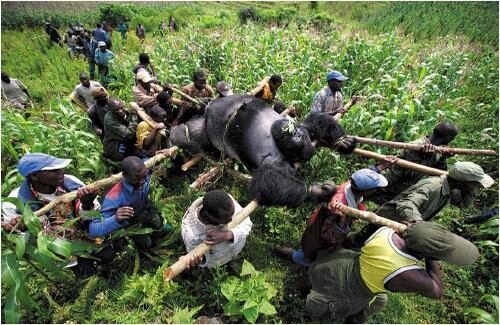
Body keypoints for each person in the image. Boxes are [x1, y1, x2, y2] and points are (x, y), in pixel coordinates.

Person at [306, 218, 479, 323]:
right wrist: (432, 257)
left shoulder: (385, 232)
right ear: (424, 253)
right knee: (330, 316)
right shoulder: (407, 273)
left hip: (340, 264)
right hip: (346, 290)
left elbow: (354, 241)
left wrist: (418, 233)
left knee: (381, 300)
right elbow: (437, 291)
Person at [0, 153, 111, 276]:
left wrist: (86, 204)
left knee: (108, 255)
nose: (61, 171)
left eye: (60, 167)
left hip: (84, 236)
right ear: (35, 176)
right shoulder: (14, 204)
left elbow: (96, 216)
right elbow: (22, 244)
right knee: (83, 273)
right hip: (56, 252)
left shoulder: (72, 183)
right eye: (54, 170)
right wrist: (23, 229)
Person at [276, 168, 389, 266]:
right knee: (312, 256)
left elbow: (363, 176)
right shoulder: (339, 207)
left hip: (318, 224)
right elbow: (330, 236)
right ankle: (290, 254)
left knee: (312, 248)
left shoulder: (350, 185)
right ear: (367, 191)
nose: (377, 190)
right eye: (375, 188)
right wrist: (343, 220)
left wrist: (380, 167)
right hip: (319, 233)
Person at [89, 156, 171, 249]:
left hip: (147, 210)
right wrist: (115, 219)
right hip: (132, 223)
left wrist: (161, 154)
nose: (142, 182)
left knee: (164, 228)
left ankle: (157, 232)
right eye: (136, 179)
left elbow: (152, 159)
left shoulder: (143, 170)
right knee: (146, 244)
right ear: (124, 175)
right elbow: (93, 230)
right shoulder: (113, 197)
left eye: (145, 176)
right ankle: (147, 247)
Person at [370, 122, 459, 204]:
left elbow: (438, 175)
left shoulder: (434, 149)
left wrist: (443, 157)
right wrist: (426, 156)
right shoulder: (417, 147)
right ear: (448, 138)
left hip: (399, 187)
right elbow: (410, 174)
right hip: (389, 185)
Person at [181, 190, 253, 268]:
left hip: (236, 248)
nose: (231, 220)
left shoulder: (225, 203)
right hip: (219, 261)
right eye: (225, 219)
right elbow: (202, 258)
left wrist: (228, 234)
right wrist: (200, 259)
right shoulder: (191, 235)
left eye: (232, 215)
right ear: (206, 214)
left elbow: (247, 222)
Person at [103, 98, 139, 162]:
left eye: (121, 107)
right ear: (110, 110)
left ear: (123, 104)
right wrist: (134, 116)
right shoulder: (109, 120)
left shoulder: (123, 110)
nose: (120, 111)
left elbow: (128, 111)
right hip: (115, 147)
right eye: (116, 110)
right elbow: (129, 134)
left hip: (124, 141)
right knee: (125, 162)